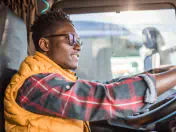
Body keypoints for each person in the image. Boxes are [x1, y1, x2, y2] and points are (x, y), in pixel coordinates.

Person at [4, 10, 176, 132]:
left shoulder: (57, 78)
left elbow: (101, 86)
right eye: (71, 39)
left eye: (79, 40)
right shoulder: (37, 84)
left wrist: (152, 73)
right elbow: (104, 98)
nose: (78, 46)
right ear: (45, 44)